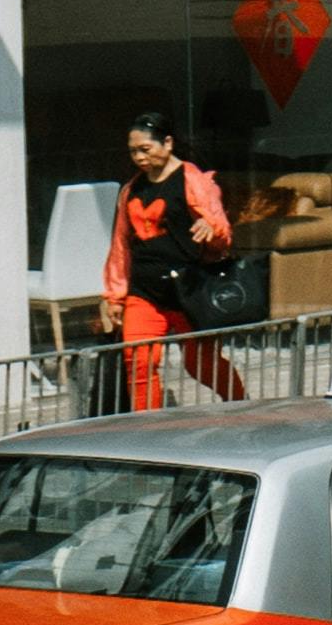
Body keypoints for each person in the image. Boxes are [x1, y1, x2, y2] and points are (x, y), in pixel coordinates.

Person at [101, 110, 248, 410]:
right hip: (144, 292)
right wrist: (114, 295)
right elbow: (120, 244)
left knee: (201, 364)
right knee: (138, 363)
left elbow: (223, 234)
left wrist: (212, 229)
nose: (139, 157)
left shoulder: (193, 181)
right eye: (133, 151)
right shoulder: (131, 189)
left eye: (146, 149)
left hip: (189, 290)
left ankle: (242, 405)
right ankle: (150, 429)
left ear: (167, 143)